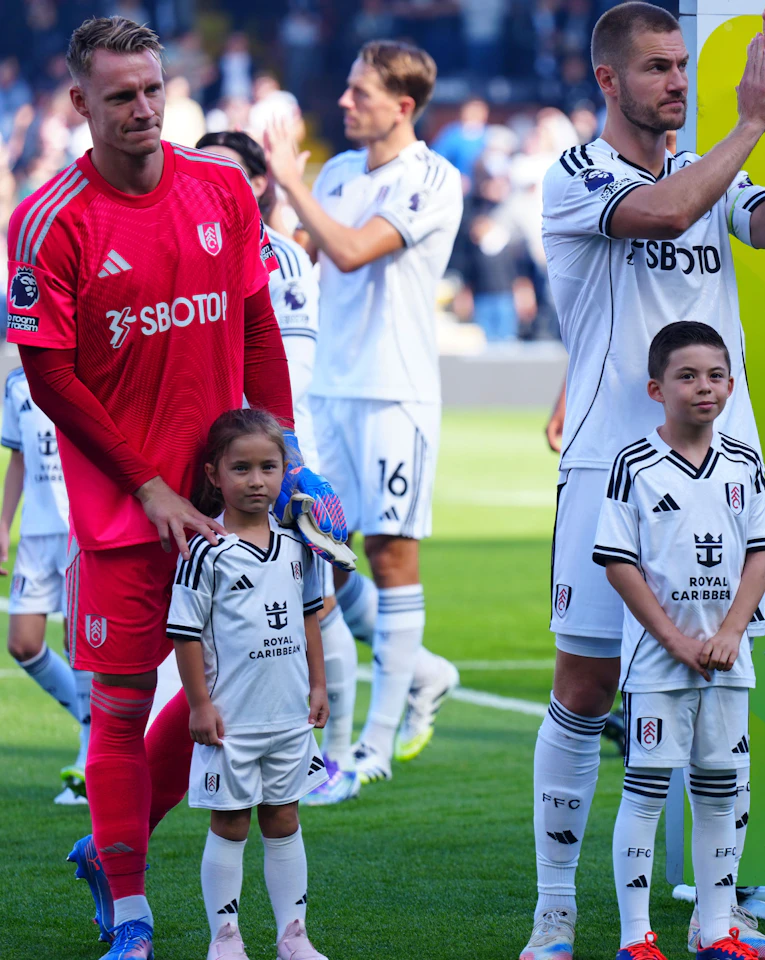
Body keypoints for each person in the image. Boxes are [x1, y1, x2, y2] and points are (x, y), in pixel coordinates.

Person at [5, 17, 343, 959]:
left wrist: (284, 461)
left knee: (226, 697)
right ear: (81, 103)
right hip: (124, 514)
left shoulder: (221, 189)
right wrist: (151, 487)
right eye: (121, 95)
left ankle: (109, 854)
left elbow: (256, 323)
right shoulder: (48, 221)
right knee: (115, 706)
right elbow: (52, 378)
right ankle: (132, 911)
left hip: (232, 510)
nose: (144, 109)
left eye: (154, 89)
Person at [522, 4, 765, 958]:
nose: (677, 81)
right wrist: (748, 120)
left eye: (682, 66)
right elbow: (663, 214)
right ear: (608, 81)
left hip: (719, 478)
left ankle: (715, 920)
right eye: (658, 68)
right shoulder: (580, 173)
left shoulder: (718, 172)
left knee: (720, 686)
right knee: (584, 687)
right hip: (606, 465)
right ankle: (555, 915)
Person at [266, 39, 463, 785]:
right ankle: (425, 673)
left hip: (394, 389)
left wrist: (289, 181)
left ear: (402, 106)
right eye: (346, 88)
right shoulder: (342, 172)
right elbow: (313, 260)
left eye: (360, 93)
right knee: (321, 546)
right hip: (331, 389)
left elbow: (351, 251)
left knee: (389, 553)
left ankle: (371, 750)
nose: (345, 103)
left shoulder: (432, 178)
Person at [196, 129, 361, 806]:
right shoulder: (199, 245)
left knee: (314, 606)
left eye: (225, 173)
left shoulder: (279, 258)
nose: (207, 184)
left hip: (273, 455)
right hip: (225, 453)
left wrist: (283, 461)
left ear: (259, 183)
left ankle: (337, 757)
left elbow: (284, 365)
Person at [594, 322, 765, 960]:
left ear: (730, 384)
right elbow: (618, 562)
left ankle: (719, 929)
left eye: (716, 376)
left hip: (729, 659)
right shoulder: (633, 465)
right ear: (655, 387)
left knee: (724, 790)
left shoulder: (746, 461)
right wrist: (672, 638)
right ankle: (635, 937)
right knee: (647, 790)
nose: (705, 388)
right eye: (688, 376)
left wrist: (728, 632)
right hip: (659, 663)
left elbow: (761, 553)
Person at [168, 408, 330, 960]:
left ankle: (294, 936)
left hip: (287, 715)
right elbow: (186, 634)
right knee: (232, 822)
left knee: (285, 817)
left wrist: (319, 686)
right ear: (214, 474)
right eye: (241, 468)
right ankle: (226, 938)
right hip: (231, 720)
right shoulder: (204, 551)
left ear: (286, 471)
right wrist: (199, 705)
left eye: (268, 467)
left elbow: (310, 618)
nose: (256, 480)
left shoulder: (296, 547)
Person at [1, 365, 91, 805]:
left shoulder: (89, 371)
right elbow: (18, 458)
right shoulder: (16, 384)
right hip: (37, 533)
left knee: (80, 642)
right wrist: (3, 524)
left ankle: (89, 759)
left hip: (83, 526)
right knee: (22, 643)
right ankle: (104, 729)